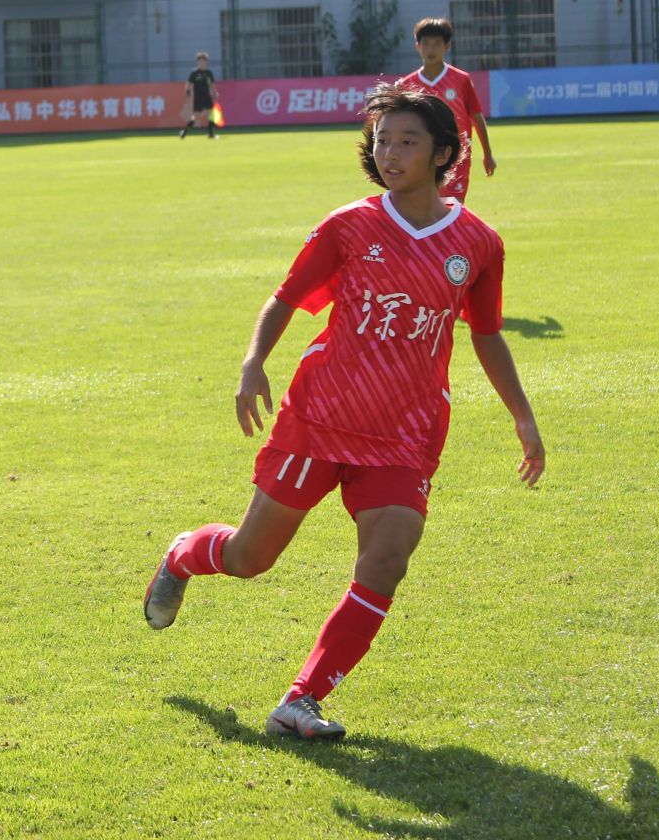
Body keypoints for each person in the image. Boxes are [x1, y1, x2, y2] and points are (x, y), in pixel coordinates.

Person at [141, 84, 546, 741]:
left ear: (444, 152)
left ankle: (299, 700)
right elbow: (285, 298)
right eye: (382, 140)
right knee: (250, 558)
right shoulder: (349, 226)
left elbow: (488, 333)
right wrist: (253, 363)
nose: (390, 152)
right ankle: (185, 555)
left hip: (406, 433)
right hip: (321, 417)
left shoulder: (477, 243)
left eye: (407, 141)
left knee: (387, 560)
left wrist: (522, 416)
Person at [395, 19, 493, 201]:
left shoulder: (461, 79)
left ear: (447, 46)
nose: (431, 49)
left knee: (452, 207)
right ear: (417, 46)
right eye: (426, 43)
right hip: (419, 156)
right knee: (420, 208)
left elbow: (476, 116)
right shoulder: (406, 84)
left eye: (437, 44)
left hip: (456, 156)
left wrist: (488, 153)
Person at [179, 52, 220, 140]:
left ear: (206, 62)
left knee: (211, 113)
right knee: (196, 116)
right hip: (198, 97)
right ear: (197, 62)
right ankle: (185, 132)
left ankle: (211, 134)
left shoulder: (209, 73)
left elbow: (212, 84)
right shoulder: (194, 72)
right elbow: (188, 84)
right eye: (200, 61)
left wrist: (214, 93)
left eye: (204, 61)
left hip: (207, 96)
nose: (202, 63)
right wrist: (188, 92)